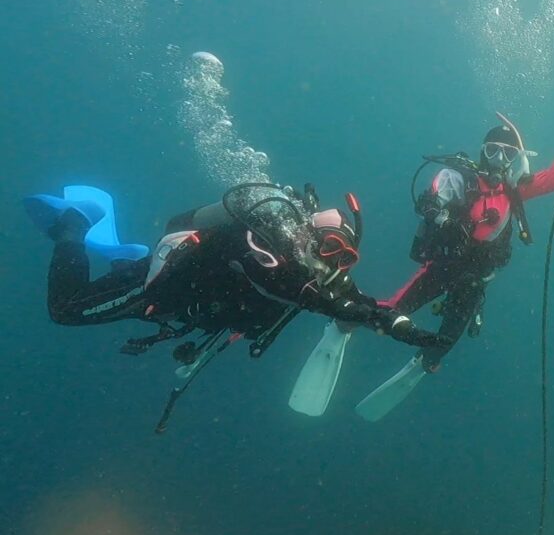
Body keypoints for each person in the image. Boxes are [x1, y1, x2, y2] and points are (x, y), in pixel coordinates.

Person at [24, 182, 447, 427]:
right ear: (307, 236)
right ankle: (74, 224)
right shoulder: (265, 252)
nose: (332, 262)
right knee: (67, 310)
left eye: (344, 258)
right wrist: (375, 320)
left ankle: (126, 255)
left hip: (180, 301)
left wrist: (401, 325)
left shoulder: (315, 277)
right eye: (329, 248)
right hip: (160, 290)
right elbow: (317, 298)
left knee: (121, 283)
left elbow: (357, 301)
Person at [353, 114, 554, 421]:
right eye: (492, 150)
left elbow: (553, 179)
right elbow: (430, 200)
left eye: (508, 153)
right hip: (445, 266)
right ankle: (349, 320)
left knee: (447, 338)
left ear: (516, 159)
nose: (499, 159)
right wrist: (443, 219)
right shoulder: (461, 179)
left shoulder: (514, 189)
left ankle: (427, 361)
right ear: (482, 151)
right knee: (394, 308)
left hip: (476, 279)